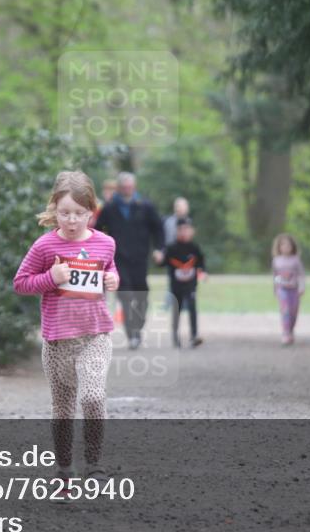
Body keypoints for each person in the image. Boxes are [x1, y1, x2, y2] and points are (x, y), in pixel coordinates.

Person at [13, 171, 120, 497]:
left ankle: (95, 466)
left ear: (91, 212)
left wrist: (113, 279)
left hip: (95, 336)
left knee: (92, 396)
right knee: (62, 409)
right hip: (58, 342)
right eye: (64, 213)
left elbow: (109, 268)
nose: (71, 220)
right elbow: (21, 283)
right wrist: (51, 277)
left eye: (79, 213)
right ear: (54, 210)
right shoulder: (45, 245)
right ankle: (63, 470)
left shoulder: (105, 243)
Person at [95, 172, 164, 350]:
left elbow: (158, 228)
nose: (126, 190)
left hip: (140, 258)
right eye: (123, 187)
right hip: (118, 259)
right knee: (125, 295)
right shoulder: (110, 208)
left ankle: (138, 324)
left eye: (129, 187)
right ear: (119, 188)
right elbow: (98, 230)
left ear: (134, 187)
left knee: (142, 295)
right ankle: (132, 335)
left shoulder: (145, 206)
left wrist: (159, 249)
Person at [159, 217, 205, 348]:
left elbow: (201, 262)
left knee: (192, 306)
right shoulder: (172, 248)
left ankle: (194, 335)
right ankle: (175, 335)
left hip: (190, 285)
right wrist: (159, 259)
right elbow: (163, 263)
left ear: (192, 231)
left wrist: (203, 271)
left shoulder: (194, 247)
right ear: (176, 231)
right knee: (177, 310)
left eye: (186, 229)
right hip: (176, 286)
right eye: (181, 230)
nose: (184, 232)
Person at [271, 233, 306, 346]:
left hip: (294, 290)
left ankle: (290, 330)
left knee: (293, 312)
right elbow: (274, 276)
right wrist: (275, 288)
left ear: (292, 247)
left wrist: (301, 287)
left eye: (288, 245)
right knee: (285, 311)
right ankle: (285, 333)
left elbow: (301, 275)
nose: (286, 248)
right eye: (283, 245)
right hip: (282, 289)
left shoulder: (296, 260)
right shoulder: (276, 260)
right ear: (279, 247)